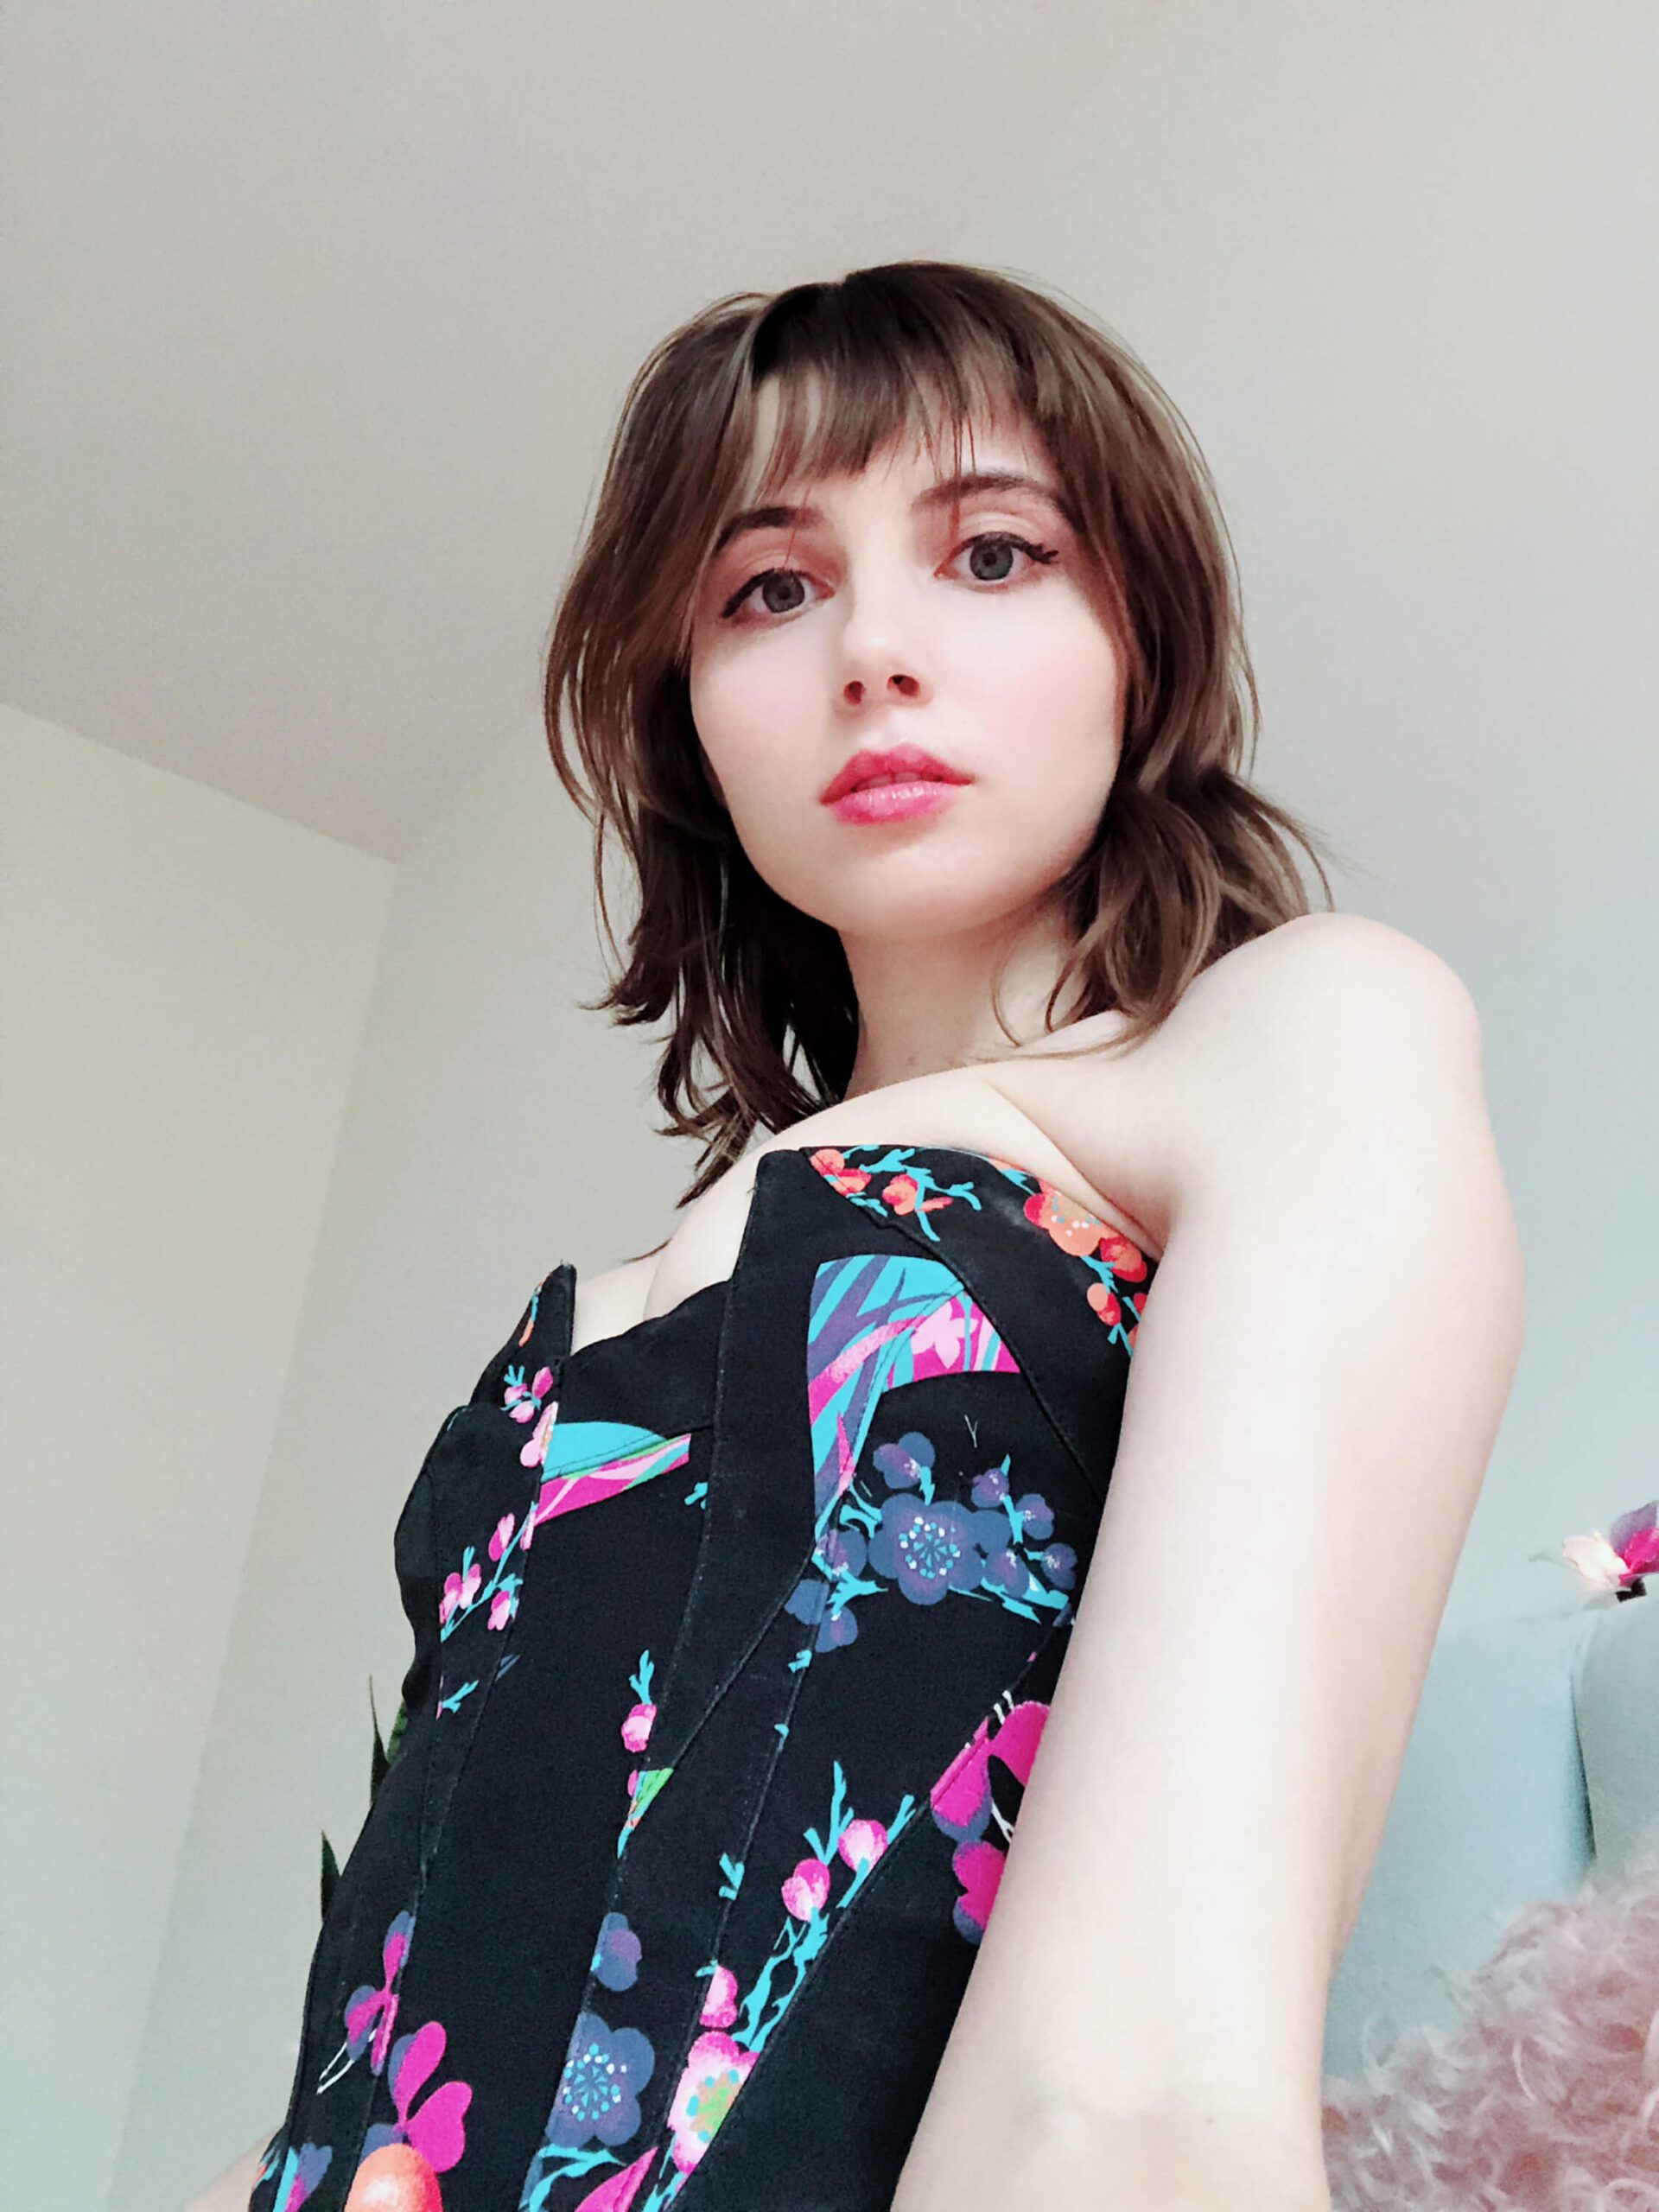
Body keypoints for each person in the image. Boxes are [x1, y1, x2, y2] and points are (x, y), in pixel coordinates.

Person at [192, 261, 1523, 2212]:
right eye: (770, 588)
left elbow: (1140, 2090)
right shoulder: (607, 1293)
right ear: (690, 712)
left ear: (1139, 635)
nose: (874, 652)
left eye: (992, 554)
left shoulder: (1293, 1038)